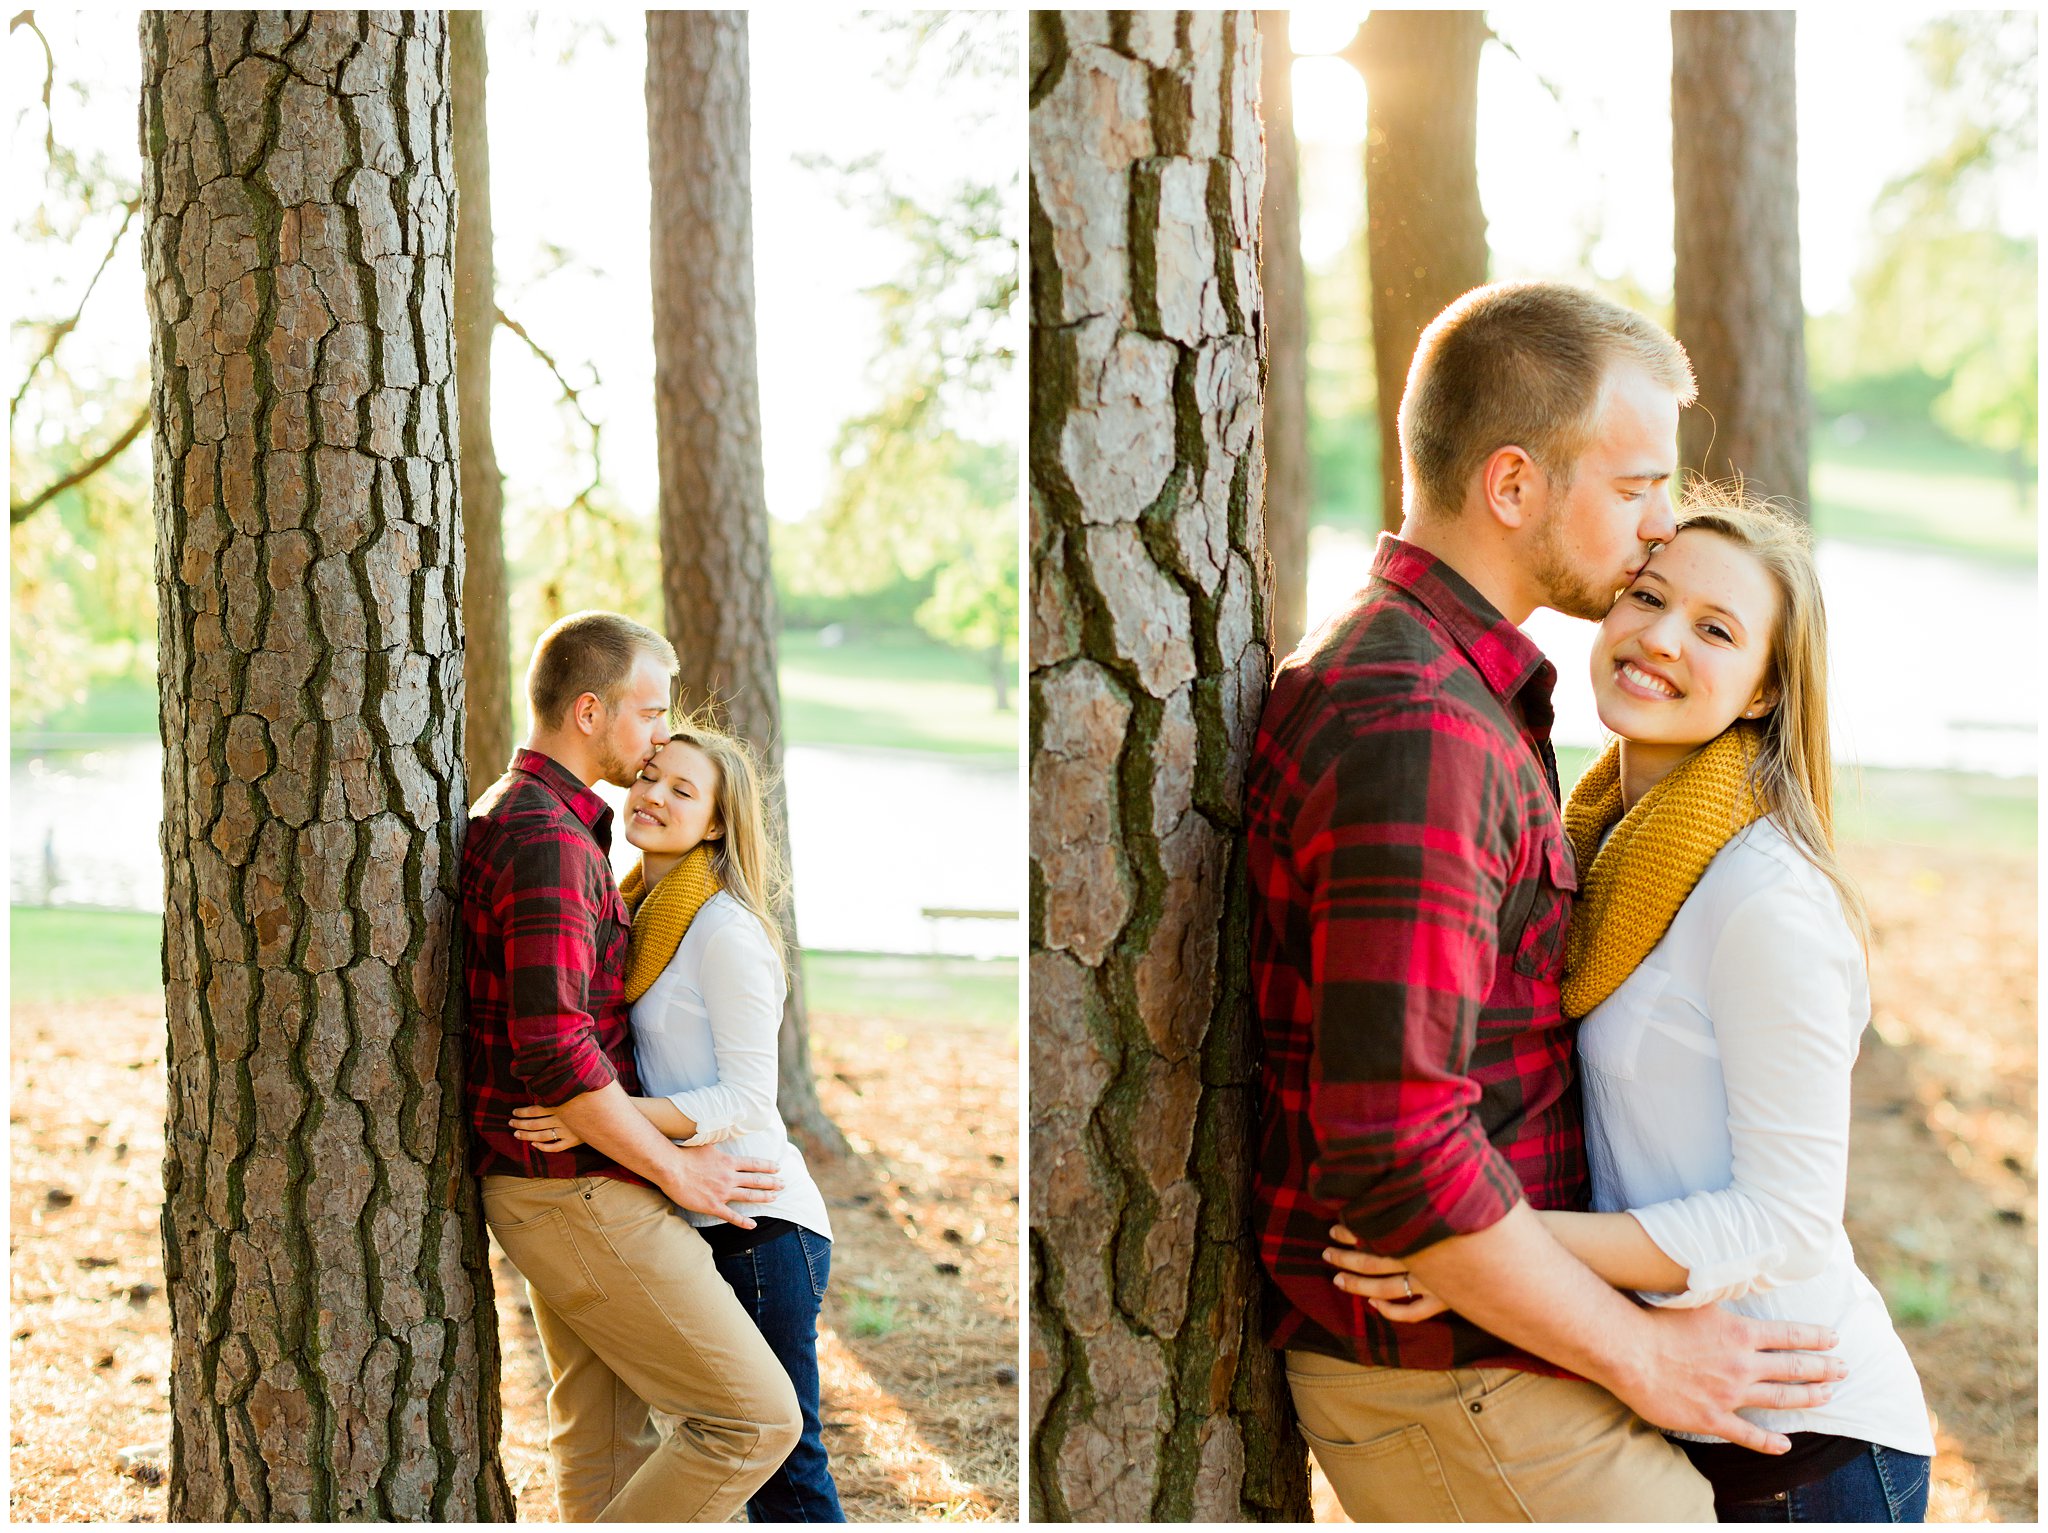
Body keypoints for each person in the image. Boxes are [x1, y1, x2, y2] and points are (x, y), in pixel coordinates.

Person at [1245, 282, 1845, 1523]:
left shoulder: (1447, 695)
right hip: (1453, 1383)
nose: (1656, 526)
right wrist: (1646, 1357)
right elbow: (1399, 1146)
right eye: (1632, 488)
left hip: (1493, 1360)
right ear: (1512, 486)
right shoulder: (1423, 725)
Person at [1327, 492, 1934, 1521]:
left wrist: (1477, 1246)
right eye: (1645, 597)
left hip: (1810, 1449)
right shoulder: (1598, 843)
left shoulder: (1764, 898)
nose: (1656, 638)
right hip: (1672, 1408)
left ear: (1759, 693)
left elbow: (1782, 1221)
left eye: (1712, 630)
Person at [460, 610, 802, 1522]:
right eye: (650, 713)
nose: (658, 736)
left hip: (564, 1176)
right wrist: (675, 1164)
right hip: (570, 1187)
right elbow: (555, 1047)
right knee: (754, 1421)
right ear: (587, 710)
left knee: (605, 1439)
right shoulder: (548, 840)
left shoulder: (542, 824)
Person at [511, 718, 845, 1522]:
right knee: (725, 1454)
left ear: (719, 822)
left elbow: (745, 1099)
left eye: (682, 790)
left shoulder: (724, 929)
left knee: (783, 1464)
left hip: (759, 1220)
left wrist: (599, 1114)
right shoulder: (638, 907)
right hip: (694, 1208)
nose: (653, 794)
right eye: (651, 777)